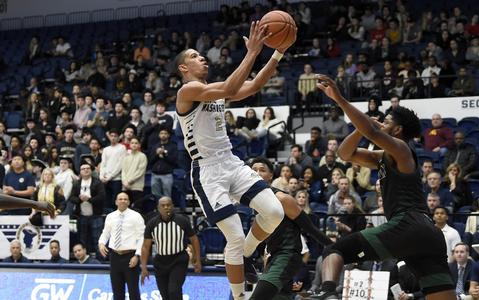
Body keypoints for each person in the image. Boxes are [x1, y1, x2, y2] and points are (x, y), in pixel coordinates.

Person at [175, 21, 294, 300]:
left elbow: (252, 86)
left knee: (275, 213)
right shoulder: (186, 92)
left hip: (230, 161)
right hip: (207, 170)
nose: (201, 57)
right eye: (194, 56)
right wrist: (252, 52)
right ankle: (240, 297)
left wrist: (278, 52)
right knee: (235, 237)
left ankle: (249, 254)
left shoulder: (213, 92)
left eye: (200, 54)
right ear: (183, 68)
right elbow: (231, 86)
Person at [310, 74, 455, 299]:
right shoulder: (384, 156)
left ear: (397, 130)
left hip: (407, 224)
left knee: (334, 250)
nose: (381, 123)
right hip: (429, 235)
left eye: (386, 121)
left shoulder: (403, 148)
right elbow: (344, 153)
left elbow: (372, 132)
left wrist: (339, 99)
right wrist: (360, 129)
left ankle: (327, 293)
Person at [249, 157, 332, 300]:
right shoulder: (254, 201)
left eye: (262, 170)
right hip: (273, 256)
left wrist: (336, 247)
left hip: (286, 255)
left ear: (271, 176)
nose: (257, 172)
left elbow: (310, 228)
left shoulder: (281, 199)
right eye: (253, 170)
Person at [141, 197, 202, 300]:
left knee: (174, 291)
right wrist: (143, 267)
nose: (166, 208)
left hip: (179, 259)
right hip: (160, 261)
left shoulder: (182, 220)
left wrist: (198, 260)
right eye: (163, 206)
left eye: (168, 205)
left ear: (173, 206)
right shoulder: (152, 223)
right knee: (165, 295)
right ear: (158, 208)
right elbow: (145, 247)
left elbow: (194, 240)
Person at [98, 192, 145, 300]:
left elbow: (141, 237)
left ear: (128, 202)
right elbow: (105, 233)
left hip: (130, 256)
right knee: (117, 290)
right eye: (120, 199)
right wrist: (101, 243)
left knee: (133, 290)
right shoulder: (110, 216)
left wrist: (137, 256)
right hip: (114, 256)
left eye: (125, 199)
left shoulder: (136, 216)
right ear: (116, 202)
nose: (123, 201)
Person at [69, 160, 105, 255]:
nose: (85, 170)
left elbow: (102, 197)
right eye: (83, 169)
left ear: (91, 170)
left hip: (96, 215)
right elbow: (71, 198)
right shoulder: (76, 183)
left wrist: (89, 199)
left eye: (87, 168)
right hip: (81, 216)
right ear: (80, 171)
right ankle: (84, 259)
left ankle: (100, 260)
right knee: (82, 239)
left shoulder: (97, 182)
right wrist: (80, 200)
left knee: (97, 238)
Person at [121, 136, 147, 210]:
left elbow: (140, 171)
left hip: (137, 186)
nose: (134, 145)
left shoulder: (142, 156)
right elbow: (123, 171)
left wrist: (129, 181)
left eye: (136, 143)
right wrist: (124, 182)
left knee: (137, 209)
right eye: (132, 143)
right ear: (129, 144)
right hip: (125, 186)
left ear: (139, 145)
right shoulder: (126, 157)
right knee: (125, 208)